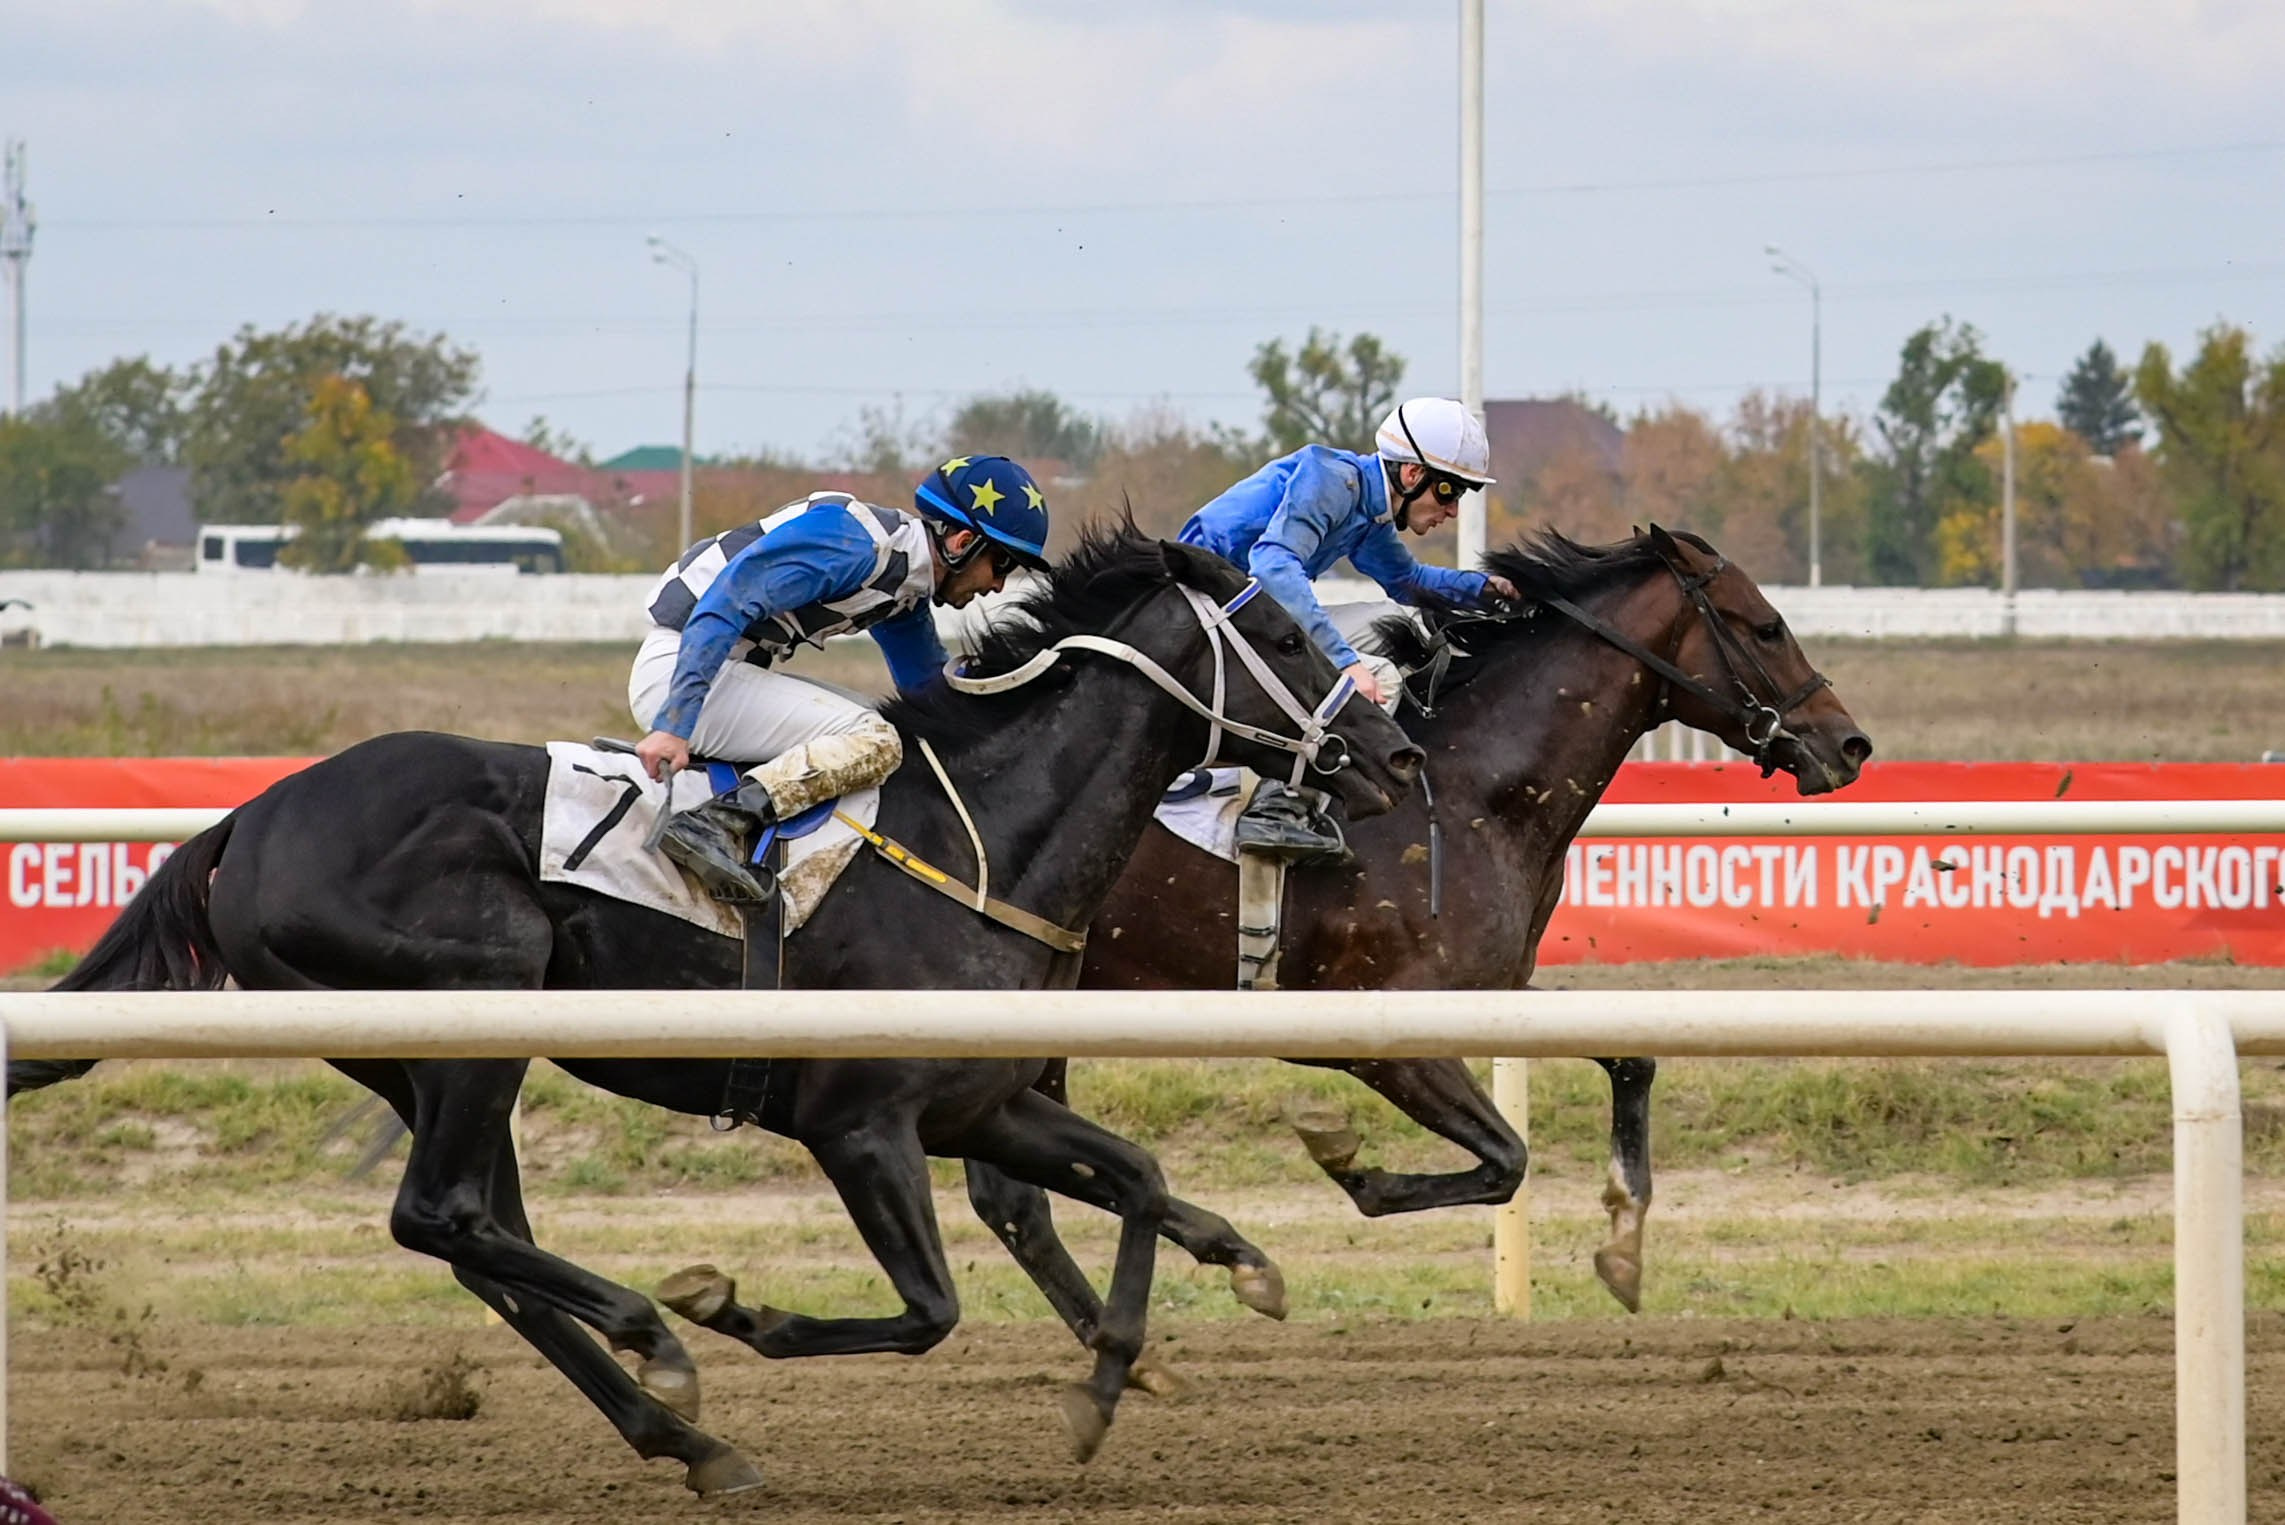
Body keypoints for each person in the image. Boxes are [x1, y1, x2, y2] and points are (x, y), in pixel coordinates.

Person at [629, 454, 1051, 900]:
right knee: (875, 738)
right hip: (680, 673)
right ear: (962, 543)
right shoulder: (856, 544)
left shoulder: (903, 586)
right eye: (1001, 564)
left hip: (714, 672)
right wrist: (674, 725)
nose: (998, 586)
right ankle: (712, 822)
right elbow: (725, 603)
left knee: (888, 730)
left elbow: (930, 695)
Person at [1178, 397, 1518, 861]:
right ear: (1412, 475)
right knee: (1380, 676)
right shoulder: (1332, 479)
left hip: (1240, 610)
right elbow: (1273, 567)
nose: (1453, 510)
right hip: (1206, 612)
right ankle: (1280, 807)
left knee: (1396, 623)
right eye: (1449, 491)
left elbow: (1407, 582)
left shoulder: (1367, 506)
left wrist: (1484, 589)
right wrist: (1346, 664)